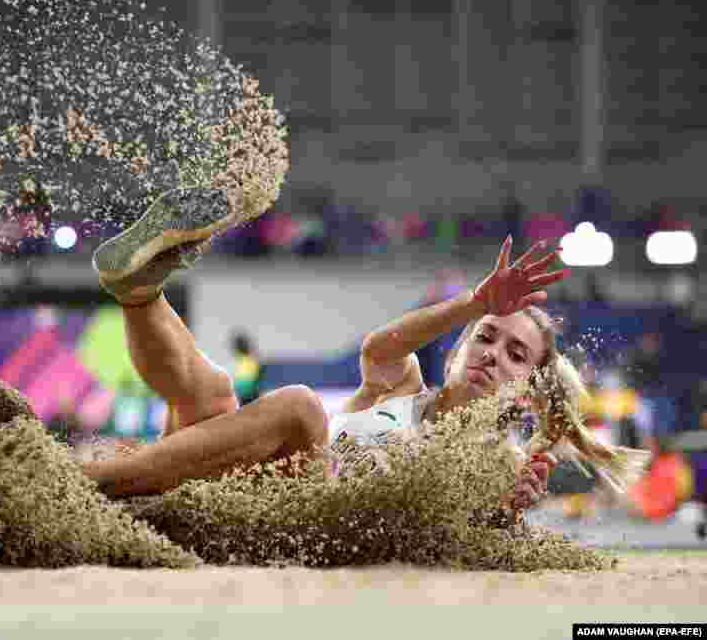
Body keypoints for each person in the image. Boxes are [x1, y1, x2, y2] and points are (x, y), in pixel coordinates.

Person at [80, 188, 572, 516]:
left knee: (298, 407)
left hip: (299, 528)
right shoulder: (400, 387)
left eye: (515, 354)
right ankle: (138, 291)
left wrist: (506, 514)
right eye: (484, 337)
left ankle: (81, 483)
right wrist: (474, 304)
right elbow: (379, 348)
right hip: (237, 498)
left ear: (528, 390)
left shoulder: (500, 466)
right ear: (455, 353)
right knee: (213, 394)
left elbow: (478, 547)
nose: (492, 355)